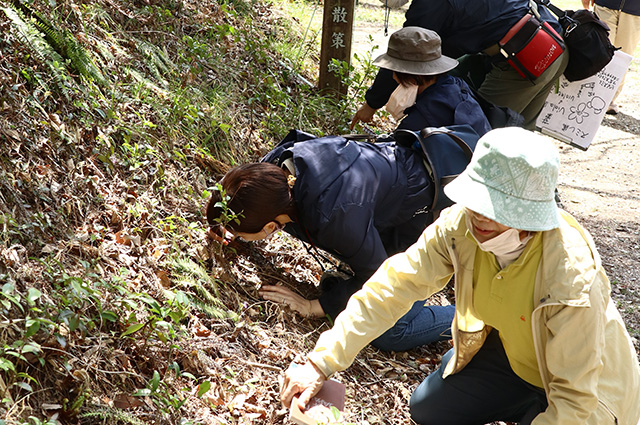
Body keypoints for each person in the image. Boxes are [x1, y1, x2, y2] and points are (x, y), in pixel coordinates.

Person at [280, 127, 640, 425]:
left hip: (587, 385)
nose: (479, 216)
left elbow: (576, 399)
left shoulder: (571, 274)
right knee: (429, 408)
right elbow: (393, 287)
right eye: (476, 201)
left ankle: (534, 411)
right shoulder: (459, 227)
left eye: (495, 208)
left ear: (530, 214)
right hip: (515, 358)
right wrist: (320, 362)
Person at [206, 133, 455, 351]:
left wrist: (314, 305)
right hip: (388, 193)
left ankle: (475, 318)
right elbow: (241, 192)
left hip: (422, 218)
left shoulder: (336, 217)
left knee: (388, 331)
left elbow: (378, 277)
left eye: (241, 235)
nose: (238, 238)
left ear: (270, 227)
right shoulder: (275, 173)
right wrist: (222, 221)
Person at [351, 0, 569, 131]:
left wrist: (371, 104)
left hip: (525, 59)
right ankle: (535, 194)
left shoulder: (431, 5)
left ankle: (473, 205)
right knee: (519, 130)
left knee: (480, 133)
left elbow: (408, 56)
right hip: (553, 43)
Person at [357, 26, 491, 136]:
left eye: (395, 72)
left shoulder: (421, 120)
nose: (393, 77)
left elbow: (394, 153)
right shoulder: (456, 85)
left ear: (409, 75)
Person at [583, 0, 640, 114]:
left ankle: (609, 99)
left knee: (623, 56)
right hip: (606, 5)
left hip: (635, 11)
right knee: (600, 50)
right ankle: (587, 95)